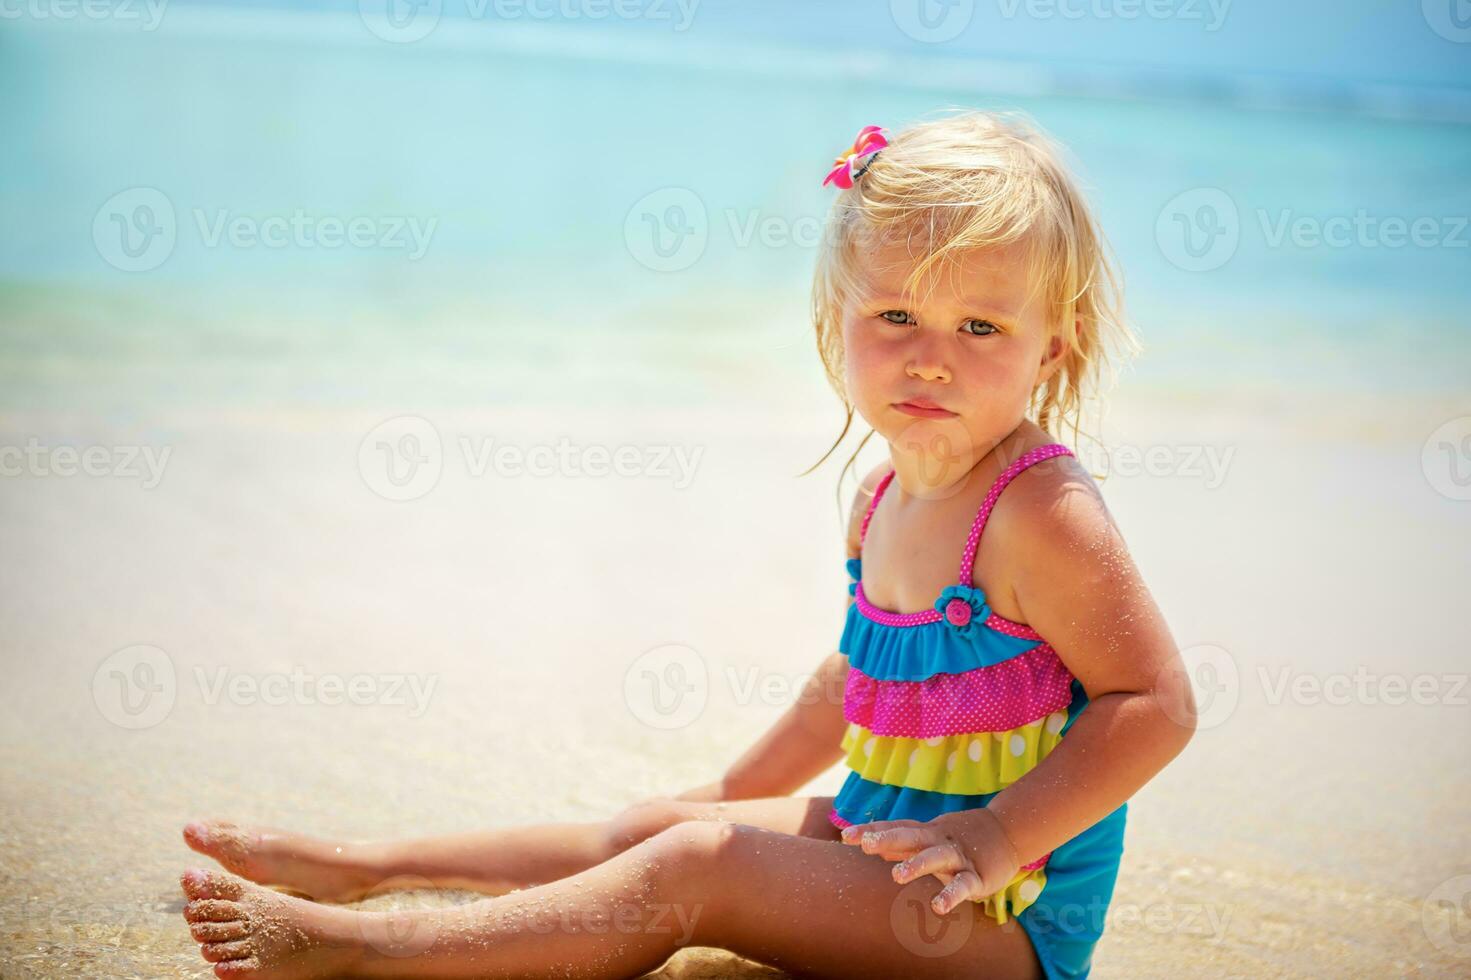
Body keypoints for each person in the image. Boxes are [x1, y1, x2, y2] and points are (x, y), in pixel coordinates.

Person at [178, 109, 1197, 980]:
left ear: (1049, 343)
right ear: (835, 314)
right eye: (895, 314)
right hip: (882, 839)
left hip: (997, 924)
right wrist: (728, 786)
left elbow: (1153, 701)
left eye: (980, 327)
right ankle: (369, 861)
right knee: (654, 826)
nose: (930, 358)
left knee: (696, 868)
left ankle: (365, 950)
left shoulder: (1037, 512)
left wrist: (995, 833)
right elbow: (865, 671)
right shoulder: (883, 491)